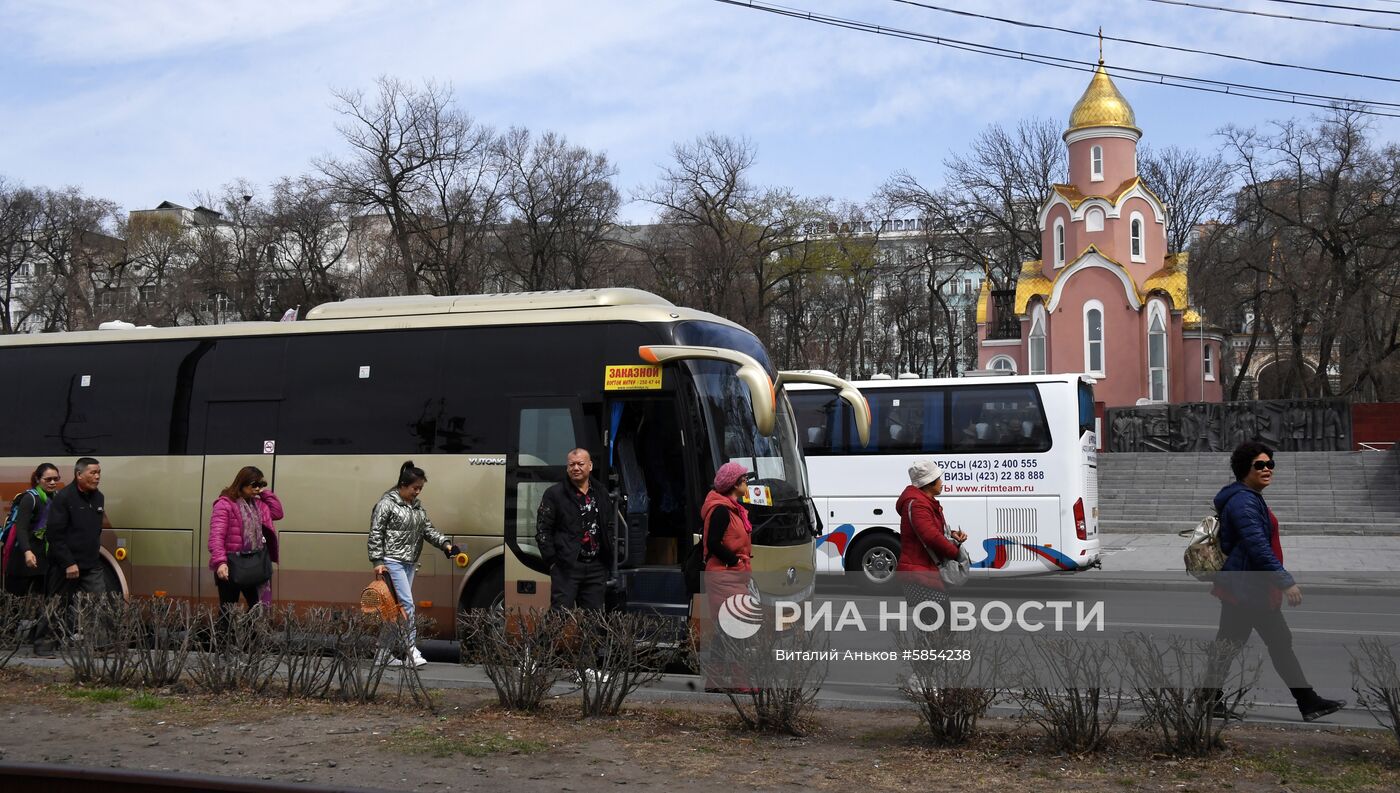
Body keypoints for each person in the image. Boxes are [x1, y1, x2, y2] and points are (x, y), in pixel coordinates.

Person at [1209, 442, 1345, 722]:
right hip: (1249, 588)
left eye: (1270, 464)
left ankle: (1207, 699)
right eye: (1260, 465)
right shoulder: (1244, 501)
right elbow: (1258, 546)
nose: (1267, 469)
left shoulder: (1249, 497)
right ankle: (1308, 702)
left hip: (1246, 586)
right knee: (1274, 642)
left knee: (1231, 644)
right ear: (1245, 469)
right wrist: (1285, 581)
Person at [368, 461, 460, 668]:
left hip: (409, 563)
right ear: (403, 485)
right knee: (407, 605)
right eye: (415, 488)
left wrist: (446, 545)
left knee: (395, 609)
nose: (417, 492)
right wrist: (378, 561)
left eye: (420, 489)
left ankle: (382, 653)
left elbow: (428, 530)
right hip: (392, 562)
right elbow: (375, 532)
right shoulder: (386, 504)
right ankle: (412, 650)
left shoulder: (417, 508)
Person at [535, 448, 614, 611]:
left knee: (594, 621)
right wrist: (552, 561)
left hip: (596, 567)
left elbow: (609, 524)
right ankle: (545, 639)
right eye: (571, 464)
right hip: (566, 567)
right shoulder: (554, 494)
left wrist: (612, 551)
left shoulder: (601, 492)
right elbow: (543, 530)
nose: (576, 468)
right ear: (567, 468)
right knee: (559, 617)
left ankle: (589, 639)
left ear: (590, 466)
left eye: (580, 464)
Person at [43, 457, 108, 645]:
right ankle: (44, 643)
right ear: (79, 475)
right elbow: (54, 535)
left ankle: (100, 644)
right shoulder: (64, 498)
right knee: (57, 605)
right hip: (65, 565)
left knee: (99, 602)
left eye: (99, 473)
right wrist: (69, 562)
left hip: (90, 563)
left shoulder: (99, 497)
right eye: (93, 473)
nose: (97, 477)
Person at [894, 460, 968, 618]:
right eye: (939, 478)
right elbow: (930, 536)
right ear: (928, 483)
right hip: (920, 574)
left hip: (924, 572)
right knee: (941, 626)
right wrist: (954, 552)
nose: (942, 482)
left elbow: (932, 530)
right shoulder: (918, 505)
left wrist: (952, 534)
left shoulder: (923, 503)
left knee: (938, 626)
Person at [207, 466, 282, 619]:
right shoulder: (225, 504)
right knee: (227, 610)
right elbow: (217, 535)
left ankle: (249, 638)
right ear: (242, 483)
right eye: (254, 485)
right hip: (231, 565)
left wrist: (264, 492)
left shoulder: (259, 505)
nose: (258, 489)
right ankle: (224, 641)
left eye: (261, 484)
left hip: (254, 563)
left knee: (259, 608)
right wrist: (220, 562)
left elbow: (277, 513)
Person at [3, 463, 61, 597]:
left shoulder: (56, 498)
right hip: (23, 559)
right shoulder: (30, 498)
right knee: (17, 604)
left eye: (55, 479)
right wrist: (27, 552)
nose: (52, 482)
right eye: (48, 479)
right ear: (37, 479)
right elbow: (21, 528)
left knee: (39, 605)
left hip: (42, 560)